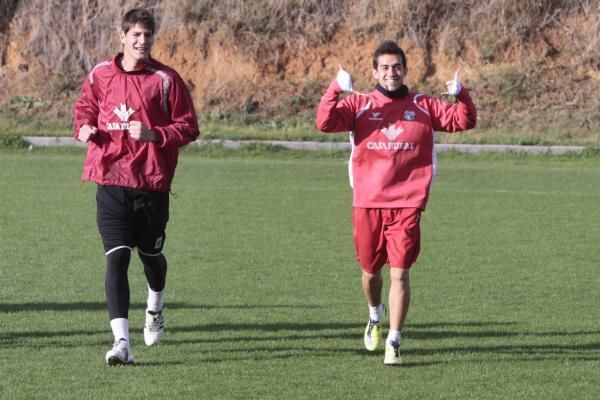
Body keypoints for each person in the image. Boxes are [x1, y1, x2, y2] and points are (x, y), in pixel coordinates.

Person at [315, 40, 476, 365]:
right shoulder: (359, 104)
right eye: (385, 67)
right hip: (368, 203)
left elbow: (463, 120)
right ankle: (375, 315)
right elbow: (325, 122)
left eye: (397, 67)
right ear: (375, 71)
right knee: (370, 272)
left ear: (405, 70)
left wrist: (461, 94)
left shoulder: (424, 105)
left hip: (407, 204)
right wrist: (336, 88)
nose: (391, 72)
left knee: (400, 274)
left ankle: (394, 340)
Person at [73, 8, 199, 366]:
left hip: (151, 184)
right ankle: (122, 343)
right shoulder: (100, 75)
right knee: (117, 258)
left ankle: (155, 305)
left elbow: (189, 127)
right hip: (111, 180)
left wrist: (155, 134)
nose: (142, 41)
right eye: (136, 35)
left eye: (148, 36)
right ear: (123, 36)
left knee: (151, 258)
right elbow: (86, 107)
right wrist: (84, 127)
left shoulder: (166, 79)